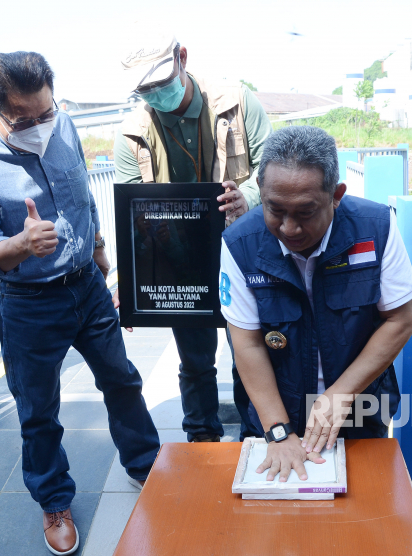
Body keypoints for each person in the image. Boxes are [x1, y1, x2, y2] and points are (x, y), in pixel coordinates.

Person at [0, 52, 160, 556]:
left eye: (47, 112)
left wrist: (103, 256)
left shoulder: (61, 125)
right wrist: (21, 244)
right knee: (39, 411)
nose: (42, 126)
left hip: (86, 285)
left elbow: (82, 197)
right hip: (29, 303)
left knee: (122, 379)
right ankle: (54, 500)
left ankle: (145, 463)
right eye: (26, 119)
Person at [220, 125, 412, 481]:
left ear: (336, 195)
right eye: (275, 209)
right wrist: (277, 430)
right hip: (276, 409)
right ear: (261, 193)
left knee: (361, 515)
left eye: (305, 212)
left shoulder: (376, 229)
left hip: (358, 409)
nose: (289, 228)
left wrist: (341, 394)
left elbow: (400, 320)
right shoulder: (240, 243)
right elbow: (247, 343)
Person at [114, 31, 272, 442]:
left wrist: (247, 196)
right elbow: (133, 216)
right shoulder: (131, 134)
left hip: (244, 254)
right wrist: (128, 283)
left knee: (249, 356)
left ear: (182, 58)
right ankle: (202, 443)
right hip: (181, 261)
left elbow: (272, 167)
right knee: (196, 362)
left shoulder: (237, 103)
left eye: (161, 83)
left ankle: (256, 439)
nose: (155, 94)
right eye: (144, 89)